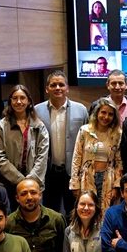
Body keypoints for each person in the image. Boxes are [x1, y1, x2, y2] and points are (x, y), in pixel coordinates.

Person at [35, 70, 90, 216]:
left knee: (74, 212)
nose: (57, 88)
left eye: (61, 84)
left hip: (72, 172)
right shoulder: (36, 111)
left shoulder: (81, 110)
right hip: (48, 171)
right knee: (50, 211)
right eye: (53, 85)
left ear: (67, 88)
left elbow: (87, 142)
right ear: (47, 88)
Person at [0, 85, 49, 210]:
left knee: (35, 218)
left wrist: (30, 181)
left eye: (22, 98)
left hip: (34, 185)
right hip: (8, 184)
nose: (19, 102)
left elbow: (42, 157)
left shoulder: (39, 126)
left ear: (28, 101)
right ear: (10, 101)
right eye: (15, 98)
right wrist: (20, 180)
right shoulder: (1, 126)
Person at [70, 98, 122, 210]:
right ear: (97, 112)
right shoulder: (85, 131)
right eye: (103, 112)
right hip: (87, 177)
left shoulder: (117, 134)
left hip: (108, 179)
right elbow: (77, 157)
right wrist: (75, 183)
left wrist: (117, 186)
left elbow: (119, 161)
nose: (106, 117)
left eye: (110, 114)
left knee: (105, 213)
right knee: (88, 210)